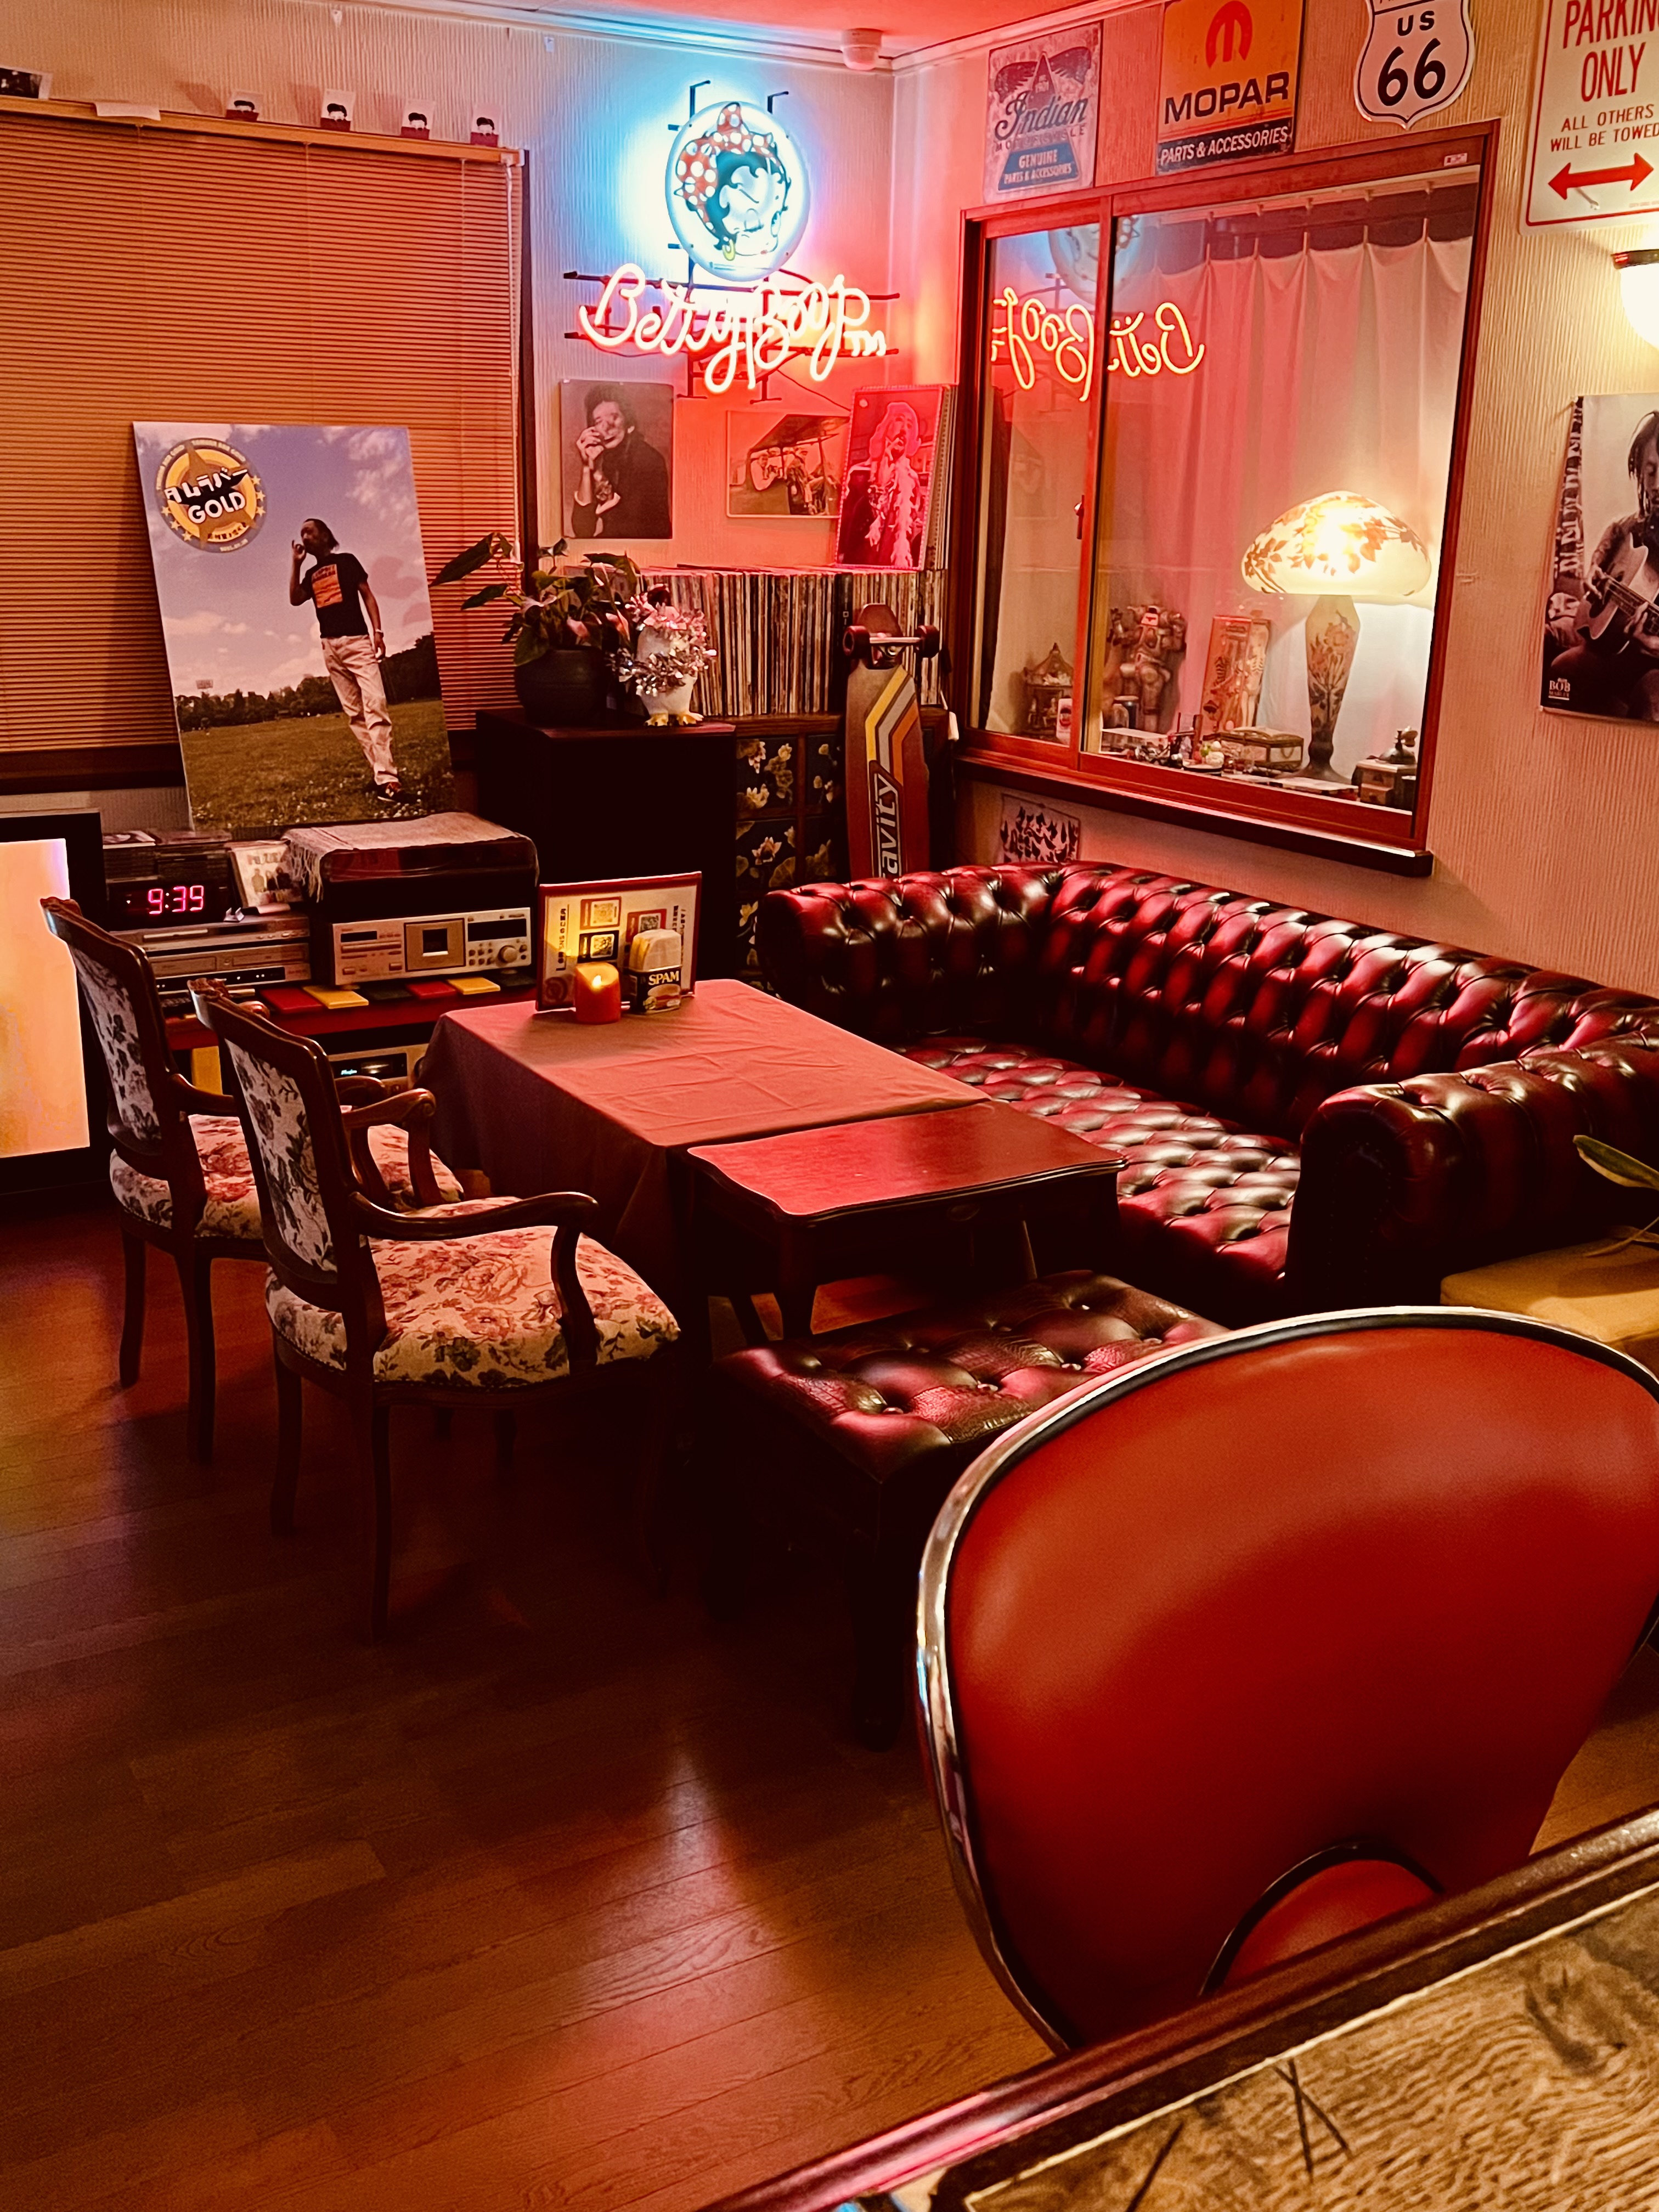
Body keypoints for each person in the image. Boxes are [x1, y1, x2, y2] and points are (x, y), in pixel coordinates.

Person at [1545, 411, 1659, 721]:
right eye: (1650, 472)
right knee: (1559, 669)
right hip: (1611, 649)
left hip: (1652, 667)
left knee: (1652, 701)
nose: (1656, 485)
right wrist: (1596, 567)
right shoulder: (1634, 527)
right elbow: (1616, 533)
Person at [287, 518, 400, 798]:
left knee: (375, 704)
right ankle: (382, 777)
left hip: (357, 642)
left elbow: (368, 596)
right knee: (355, 715)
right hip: (330, 647)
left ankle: (389, 779)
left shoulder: (347, 561)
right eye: (302, 533)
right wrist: (296, 564)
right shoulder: (311, 574)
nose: (304, 537)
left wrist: (378, 632)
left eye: (309, 531)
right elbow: (295, 598)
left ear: (326, 536)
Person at [569, 385, 672, 540]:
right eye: (598, 422)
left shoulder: (648, 460)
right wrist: (586, 468)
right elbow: (583, 530)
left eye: (614, 418)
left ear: (629, 424)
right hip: (614, 550)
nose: (606, 428)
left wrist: (598, 476)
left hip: (645, 550)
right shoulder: (601, 458)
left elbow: (630, 529)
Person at [838, 400, 924, 568]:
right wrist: (880, 485)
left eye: (910, 425)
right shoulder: (859, 474)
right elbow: (849, 529)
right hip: (860, 565)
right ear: (886, 427)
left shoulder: (912, 480)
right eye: (899, 420)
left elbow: (910, 528)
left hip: (895, 567)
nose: (904, 430)